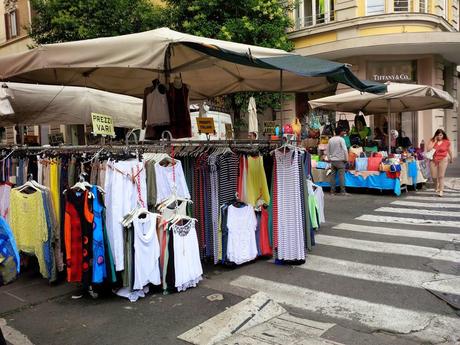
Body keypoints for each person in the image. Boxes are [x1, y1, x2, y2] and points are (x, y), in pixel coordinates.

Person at [427, 129, 453, 197]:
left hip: (443, 159)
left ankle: (441, 190)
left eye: (441, 135)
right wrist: (434, 141)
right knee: (434, 176)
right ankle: (436, 185)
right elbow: (428, 149)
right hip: (433, 159)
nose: (439, 136)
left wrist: (451, 158)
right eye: (438, 135)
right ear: (436, 135)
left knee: (441, 176)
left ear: (443, 135)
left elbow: (449, 151)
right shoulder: (432, 140)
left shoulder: (446, 142)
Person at [327, 126, 349, 195]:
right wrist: (346, 159)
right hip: (340, 160)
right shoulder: (341, 139)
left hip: (333, 161)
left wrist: (329, 158)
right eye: (343, 131)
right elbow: (345, 150)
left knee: (332, 176)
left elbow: (328, 150)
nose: (344, 133)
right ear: (340, 132)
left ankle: (332, 191)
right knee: (341, 176)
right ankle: (343, 191)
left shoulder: (331, 140)